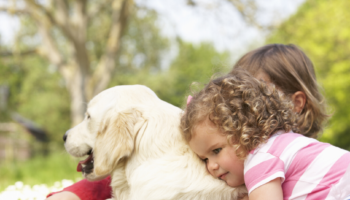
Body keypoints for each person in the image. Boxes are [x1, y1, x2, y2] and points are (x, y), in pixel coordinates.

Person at [46, 44, 328, 200]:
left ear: (295, 104)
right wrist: (76, 194)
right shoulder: (220, 149)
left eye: (256, 97)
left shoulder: (274, 160)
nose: (238, 111)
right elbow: (150, 169)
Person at [181, 69, 350, 200]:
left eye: (216, 151)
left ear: (244, 129)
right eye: (205, 159)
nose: (211, 166)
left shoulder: (260, 160)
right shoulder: (284, 141)